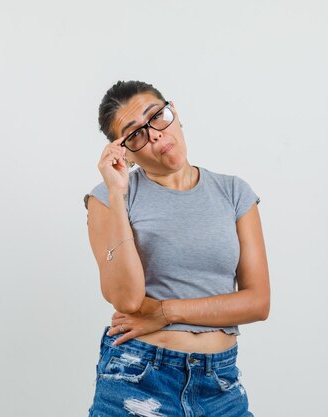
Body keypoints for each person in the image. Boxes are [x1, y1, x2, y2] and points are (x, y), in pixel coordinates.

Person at [84, 80, 270, 417]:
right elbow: (126, 300)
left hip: (221, 385)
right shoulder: (107, 198)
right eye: (135, 133)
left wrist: (166, 312)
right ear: (124, 151)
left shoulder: (234, 192)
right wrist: (117, 194)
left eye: (157, 116)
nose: (154, 133)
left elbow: (257, 303)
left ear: (175, 112)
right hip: (139, 378)